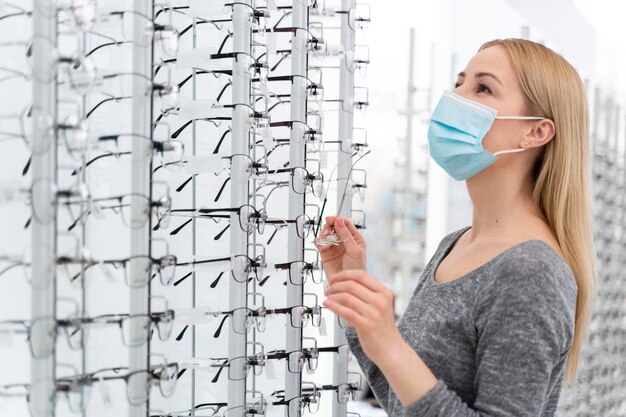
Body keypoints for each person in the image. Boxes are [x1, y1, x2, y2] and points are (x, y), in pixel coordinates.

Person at [315, 38, 598, 416]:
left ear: (536, 132)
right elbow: (403, 402)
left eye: (483, 88)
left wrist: (391, 345)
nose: (455, 99)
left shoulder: (531, 270)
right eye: (459, 83)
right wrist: (355, 300)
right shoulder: (456, 244)